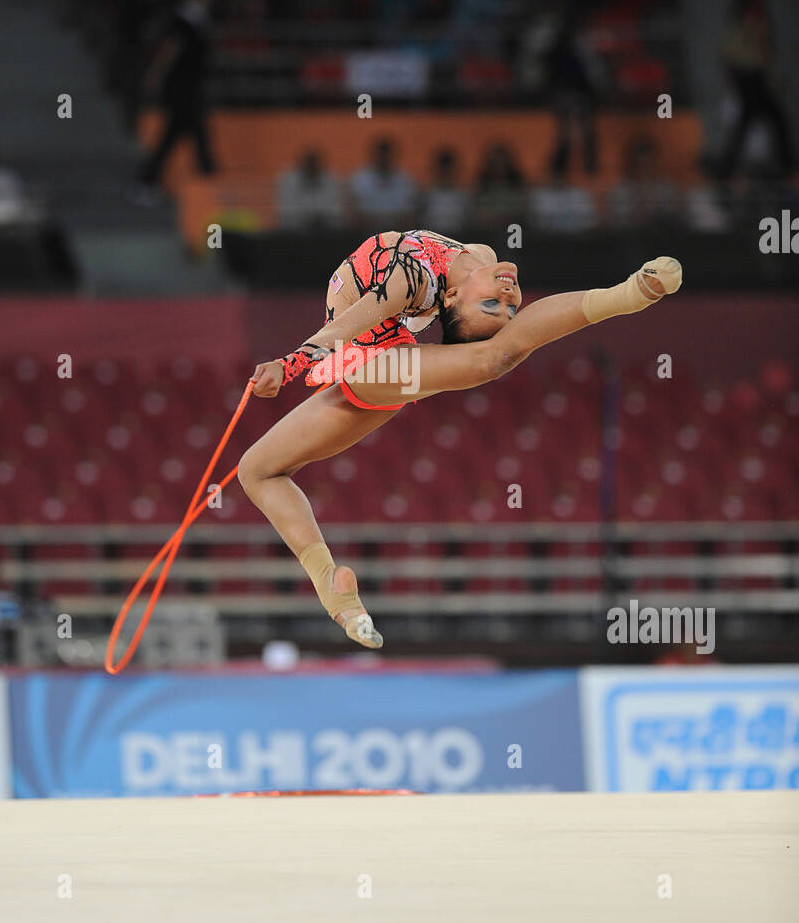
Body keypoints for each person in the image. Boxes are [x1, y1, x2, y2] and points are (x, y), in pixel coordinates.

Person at [238, 229, 682, 648]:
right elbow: (347, 330)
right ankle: (333, 591)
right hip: (373, 363)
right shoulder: (477, 258)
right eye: (505, 308)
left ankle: (627, 295)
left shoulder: (412, 280)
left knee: (494, 358)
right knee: (256, 471)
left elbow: (341, 332)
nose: (508, 301)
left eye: (495, 306)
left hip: (370, 361)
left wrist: (287, 365)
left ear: (450, 298)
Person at [135, 0, 218, 199]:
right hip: (181, 85)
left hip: (191, 84)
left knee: (178, 133)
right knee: (193, 131)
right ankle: (209, 177)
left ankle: (148, 179)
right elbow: (170, 48)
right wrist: (156, 74)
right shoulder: (183, 18)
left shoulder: (200, 19)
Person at [716, 0, 795, 184]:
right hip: (749, 73)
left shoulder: (748, 5)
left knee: (756, 121)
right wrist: (772, 74)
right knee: (773, 118)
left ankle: (728, 167)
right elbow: (751, 45)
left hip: (749, 72)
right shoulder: (750, 6)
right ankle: (787, 166)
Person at [349, 137, 417, 228]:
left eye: (387, 156)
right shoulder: (360, 178)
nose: (384, 159)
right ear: (374, 156)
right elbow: (353, 210)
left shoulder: (405, 180)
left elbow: (410, 213)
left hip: (397, 228)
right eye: (381, 156)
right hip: (367, 228)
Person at [275, 149, 346, 230]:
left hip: (326, 229)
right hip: (295, 231)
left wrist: (318, 217)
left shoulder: (331, 179)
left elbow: (336, 211)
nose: (311, 167)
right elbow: (286, 212)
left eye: (314, 165)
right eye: (308, 165)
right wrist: (308, 218)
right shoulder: (288, 180)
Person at [422, 148, 468, 234]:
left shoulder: (463, 196)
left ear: (455, 171)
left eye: (449, 171)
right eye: (443, 171)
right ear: (436, 171)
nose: (446, 174)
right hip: (432, 236)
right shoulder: (428, 195)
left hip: (458, 236)